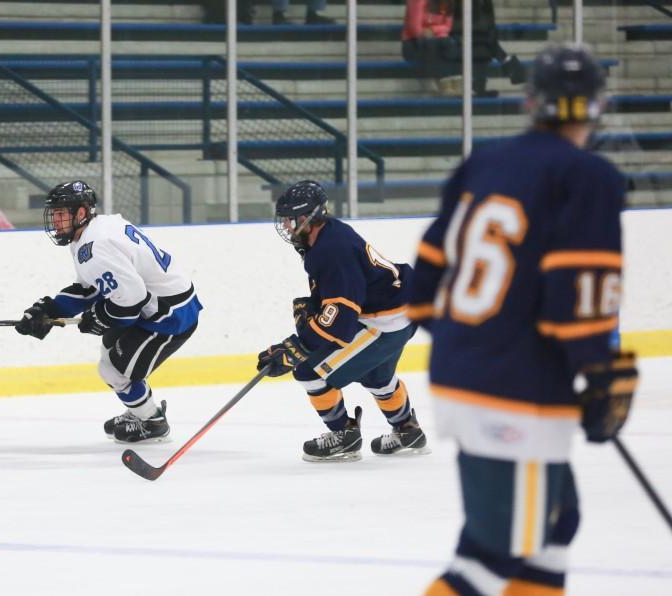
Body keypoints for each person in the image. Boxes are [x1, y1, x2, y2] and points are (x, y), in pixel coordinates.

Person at [408, 45, 638, 594]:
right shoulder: (590, 176)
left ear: (530, 101)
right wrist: (599, 372)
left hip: (469, 374)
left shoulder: (484, 161)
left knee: (556, 525)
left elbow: (423, 287)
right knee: (493, 555)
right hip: (518, 391)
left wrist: (475, 346)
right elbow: (577, 298)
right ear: (596, 107)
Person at [15, 181, 203, 443]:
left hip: (169, 316)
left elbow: (132, 298)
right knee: (110, 347)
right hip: (159, 304)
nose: (55, 221)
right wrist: (51, 309)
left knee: (113, 370)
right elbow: (92, 288)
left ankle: (152, 421)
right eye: (54, 214)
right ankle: (140, 410)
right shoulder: (93, 232)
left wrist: (100, 317)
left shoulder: (96, 244)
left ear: (81, 213)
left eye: (61, 214)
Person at [256, 180, 428, 462]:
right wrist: (315, 308)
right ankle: (407, 430)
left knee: (309, 371)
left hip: (385, 321)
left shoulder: (331, 250)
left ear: (307, 218)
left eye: (290, 220)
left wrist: (299, 346)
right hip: (400, 310)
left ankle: (343, 435)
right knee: (377, 376)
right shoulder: (328, 236)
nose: (286, 227)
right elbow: (347, 293)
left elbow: (341, 320)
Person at [402, 0, 525, 97]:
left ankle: (498, 70)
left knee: (484, 41)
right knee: (481, 42)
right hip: (447, 36)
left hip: (460, 33)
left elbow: (447, 26)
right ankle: (506, 65)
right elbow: (417, 28)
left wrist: (434, 30)